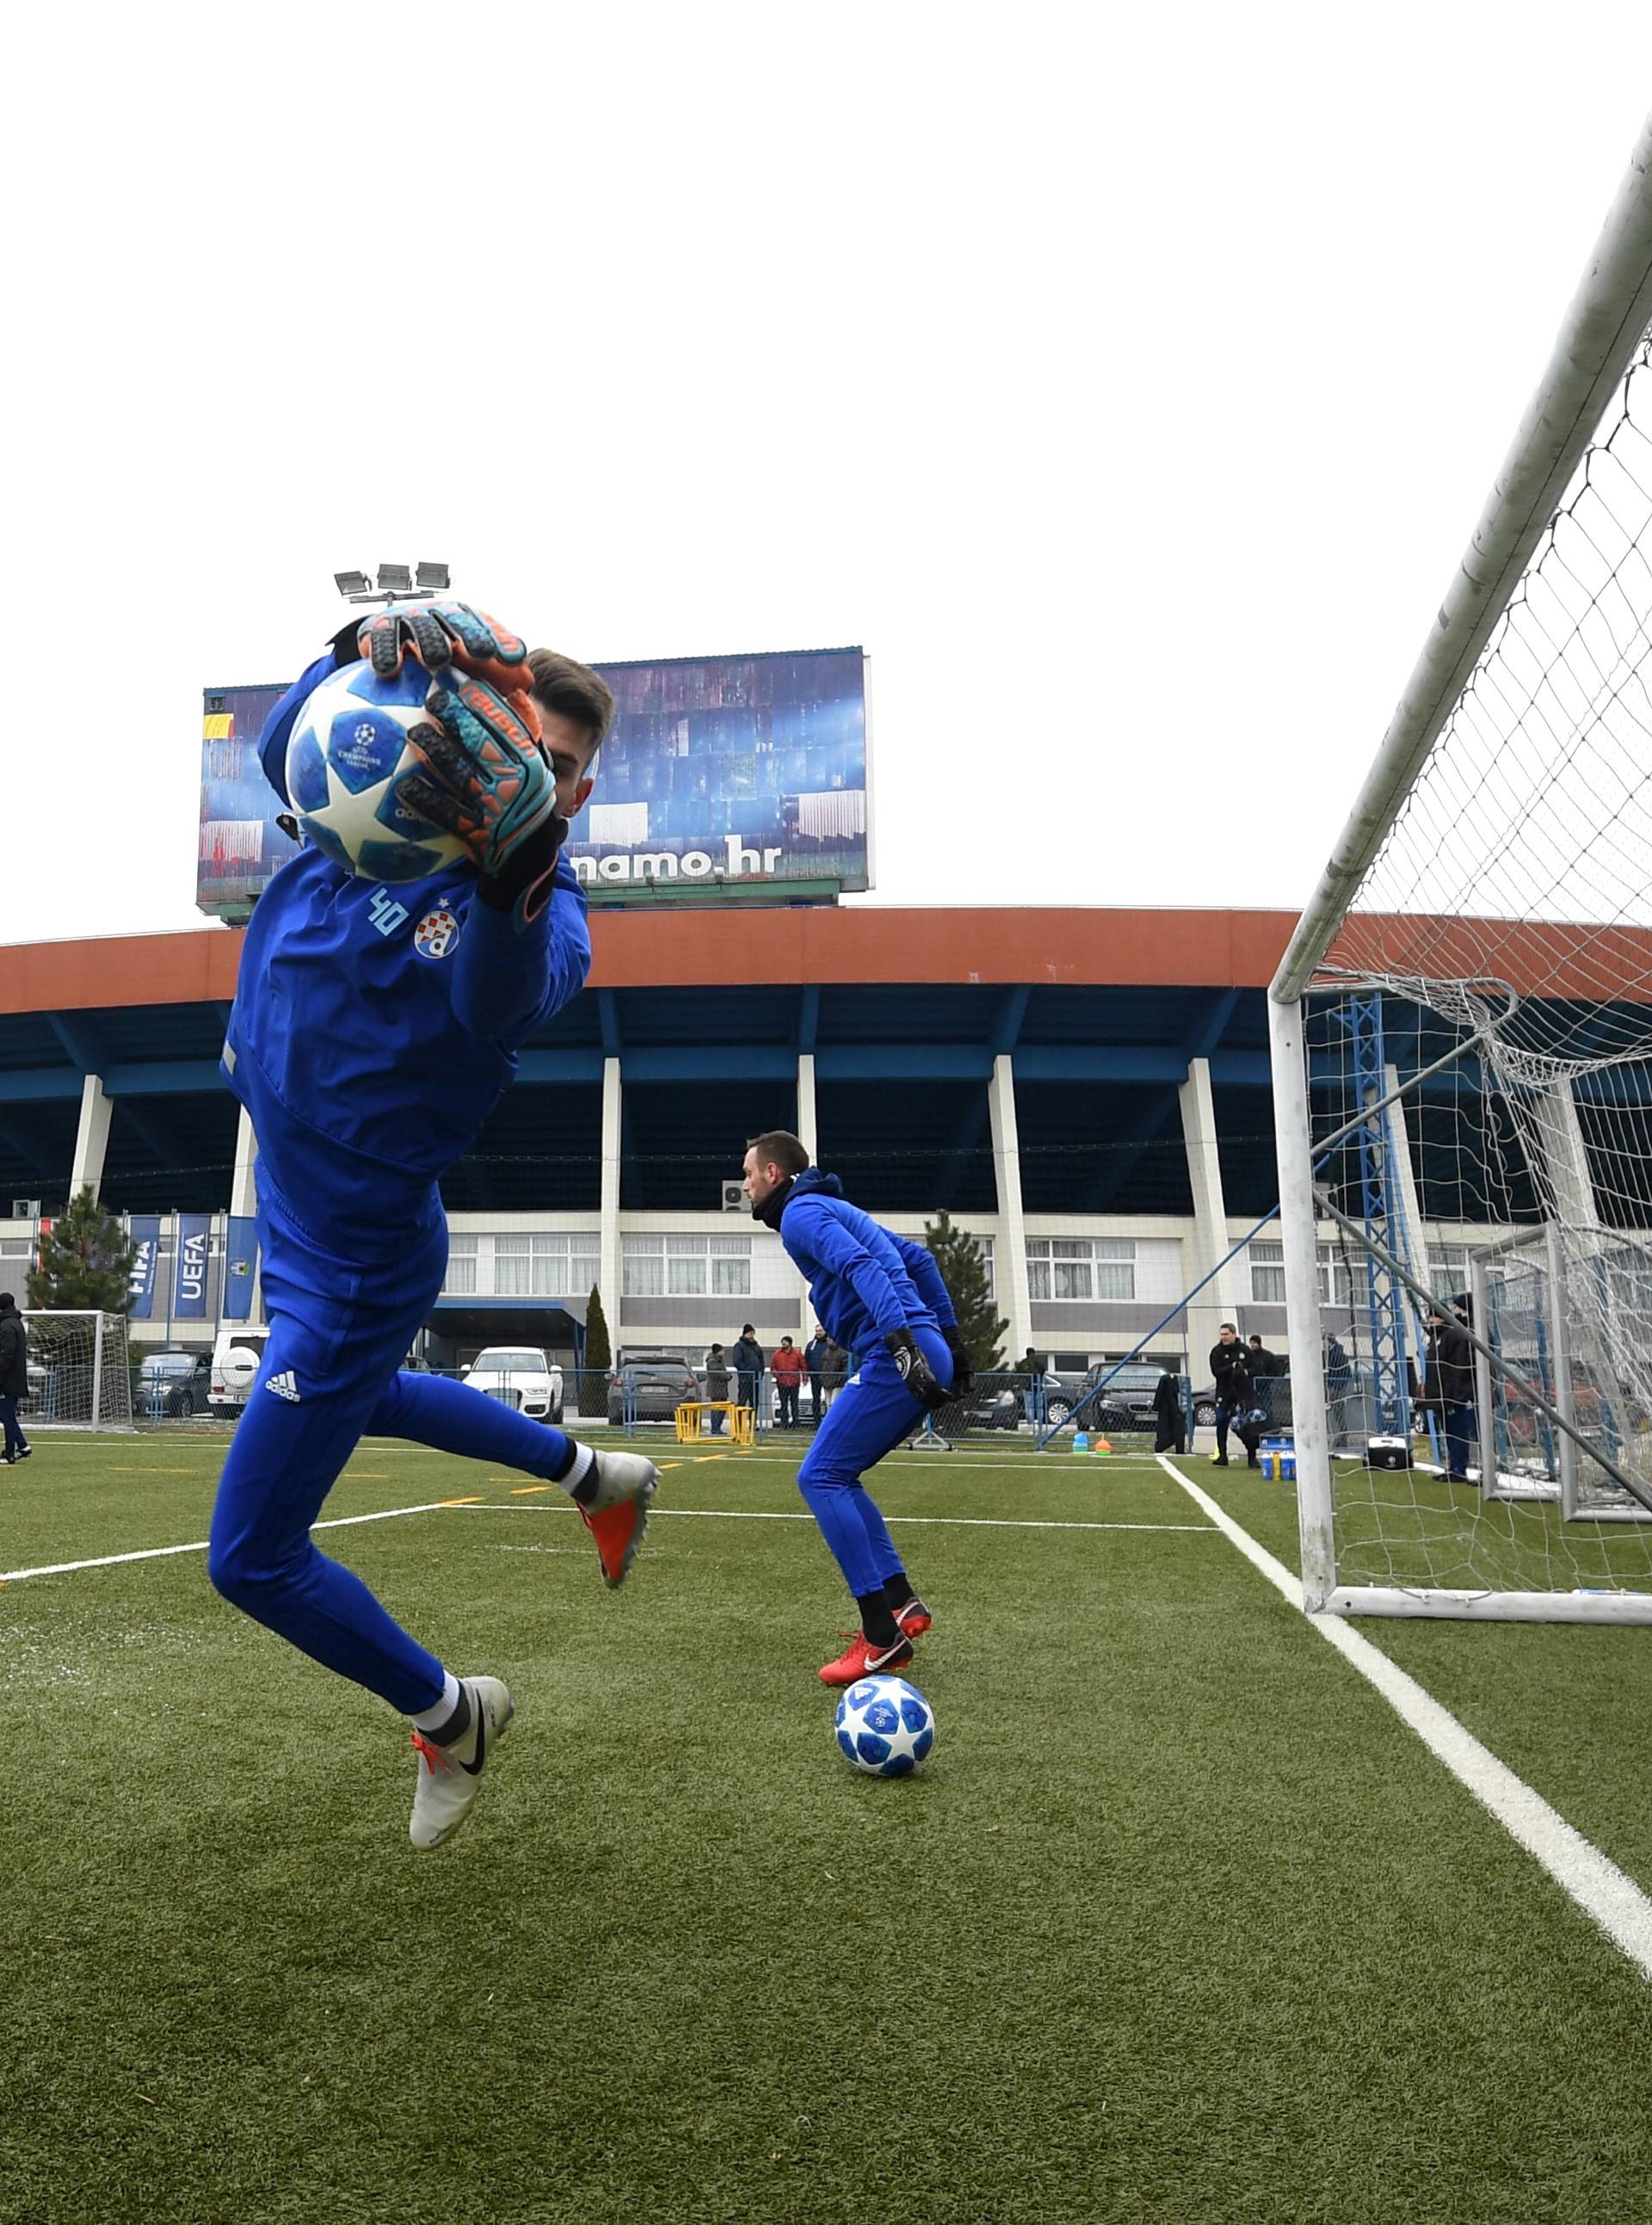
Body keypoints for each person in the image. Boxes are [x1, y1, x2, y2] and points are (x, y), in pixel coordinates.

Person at [209, 599, 658, 1852]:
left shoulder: (547, 917)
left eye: (567, 772)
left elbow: (504, 996)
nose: (542, 775)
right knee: (372, 1401)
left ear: (574, 798)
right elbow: (284, 744)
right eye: (530, 742)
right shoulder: (379, 795)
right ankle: (593, 1472)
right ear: (482, 722)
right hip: (301, 1200)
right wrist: (361, 644)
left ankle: (453, 1713)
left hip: (356, 1252)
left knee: (249, 1556)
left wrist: (514, 874)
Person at [742, 1129, 969, 1684]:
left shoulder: (799, 1214)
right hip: (920, 1346)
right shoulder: (832, 1204)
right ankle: (900, 1602)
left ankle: (881, 1635)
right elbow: (918, 1258)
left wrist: (899, 1341)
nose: (744, 1184)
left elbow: (864, 1267)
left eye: (748, 1172)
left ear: (773, 1174)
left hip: (898, 1352)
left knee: (819, 1477)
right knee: (842, 1475)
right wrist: (951, 1343)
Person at [1429, 1307, 1476, 1483]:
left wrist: (1454, 1394)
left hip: (1453, 1396)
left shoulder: (1454, 1336)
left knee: (1458, 1431)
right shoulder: (1436, 1338)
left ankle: (1459, 1468)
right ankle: (1453, 1467)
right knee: (1449, 1432)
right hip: (1441, 1396)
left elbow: (1456, 1369)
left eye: (1433, 1316)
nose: (1430, 1320)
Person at [1208, 1322, 1254, 1468]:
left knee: (1245, 1424)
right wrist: (1231, 1367)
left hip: (1242, 1392)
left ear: (1234, 1334)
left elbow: (1255, 1366)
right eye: (1222, 1334)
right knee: (1221, 1420)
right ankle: (1222, 1455)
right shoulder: (1217, 1351)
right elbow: (1216, 1372)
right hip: (1224, 1392)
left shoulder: (1245, 1350)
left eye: (1226, 1334)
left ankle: (1252, 1456)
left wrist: (1247, 1372)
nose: (1224, 1337)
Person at [0, 1293, 32, 1465]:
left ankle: (21, 1446)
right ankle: (11, 1451)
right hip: (14, 1378)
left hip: (8, 1380)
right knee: (7, 1415)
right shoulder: (15, 1323)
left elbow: (6, 1355)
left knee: (6, 1416)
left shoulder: (7, 1326)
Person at [730, 1324, 766, 1418]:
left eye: (753, 1333)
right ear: (745, 1333)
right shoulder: (739, 1346)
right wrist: (747, 1372)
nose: (752, 1335)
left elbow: (761, 1361)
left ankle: (753, 1423)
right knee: (742, 1401)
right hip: (745, 1380)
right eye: (750, 1333)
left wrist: (761, 1372)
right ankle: (739, 1424)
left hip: (756, 1379)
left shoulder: (756, 1347)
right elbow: (737, 1362)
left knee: (754, 1402)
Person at [771, 1334, 805, 1427]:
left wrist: (805, 1378)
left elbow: (803, 1366)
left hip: (794, 1382)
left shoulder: (797, 1354)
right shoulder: (777, 1354)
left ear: (790, 1343)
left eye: (785, 1342)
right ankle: (784, 1423)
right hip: (782, 1383)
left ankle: (795, 1423)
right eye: (782, 1342)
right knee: (783, 1403)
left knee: (795, 1403)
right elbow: (773, 1367)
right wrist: (779, 1377)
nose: (783, 1343)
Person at [1152, 1361, 1186, 1455]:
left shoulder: (1166, 1381)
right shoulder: (1171, 1381)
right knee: (1176, 1430)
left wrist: (1156, 1406)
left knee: (1169, 1430)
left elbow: (1159, 1395)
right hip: (1172, 1410)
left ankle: (1161, 1446)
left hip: (1169, 1411)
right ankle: (1177, 1448)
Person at [1248, 1333, 1282, 1423]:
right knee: (1253, 1406)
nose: (1252, 1345)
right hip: (1251, 1386)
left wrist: (1266, 1379)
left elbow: (1275, 1370)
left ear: (1259, 1343)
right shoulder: (1249, 1356)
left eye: (1254, 1343)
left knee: (1266, 1406)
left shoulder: (1268, 1356)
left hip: (1265, 1386)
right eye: (1251, 1343)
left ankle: (1268, 1423)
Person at [804, 1323, 832, 1424]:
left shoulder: (830, 1344)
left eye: (820, 1331)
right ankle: (816, 1421)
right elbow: (806, 1359)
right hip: (814, 1376)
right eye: (817, 1331)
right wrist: (807, 1374)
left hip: (828, 1376)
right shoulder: (811, 1345)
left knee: (828, 1399)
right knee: (816, 1398)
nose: (818, 1333)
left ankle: (827, 1421)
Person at [703, 1342, 731, 1433]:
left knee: (722, 1409)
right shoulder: (712, 1361)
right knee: (716, 1409)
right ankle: (715, 1428)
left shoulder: (720, 1360)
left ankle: (718, 1427)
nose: (724, 1352)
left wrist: (727, 1375)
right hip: (715, 1389)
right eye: (722, 1350)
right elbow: (716, 1373)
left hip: (722, 1389)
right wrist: (727, 1376)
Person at [1017, 1346, 1045, 1426]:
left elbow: (1019, 1373)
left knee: (1029, 1406)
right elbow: (1043, 1371)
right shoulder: (1039, 1363)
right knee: (1039, 1407)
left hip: (1028, 1388)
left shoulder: (1024, 1363)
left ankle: (1030, 1422)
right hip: (1039, 1388)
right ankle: (1040, 1422)